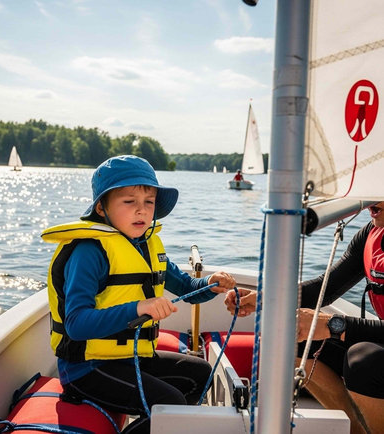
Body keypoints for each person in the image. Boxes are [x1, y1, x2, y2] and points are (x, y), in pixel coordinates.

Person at [42, 155, 236, 434]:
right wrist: (139, 308)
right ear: (101, 207)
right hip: (86, 369)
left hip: (130, 359)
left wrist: (211, 284)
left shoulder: (147, 244)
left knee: (201, 374)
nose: (141, 211)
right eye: (129, 201)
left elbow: (187, 289)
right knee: (171, 402)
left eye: (149, 202)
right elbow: (76, 324)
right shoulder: (89, 253)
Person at [224, 202, 384, 434]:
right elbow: (325, 288)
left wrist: (332, 325)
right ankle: (357, 430)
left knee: (362, 361)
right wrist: (268, 299)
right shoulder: (371, 233)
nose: (371, 201)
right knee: (293, 337)